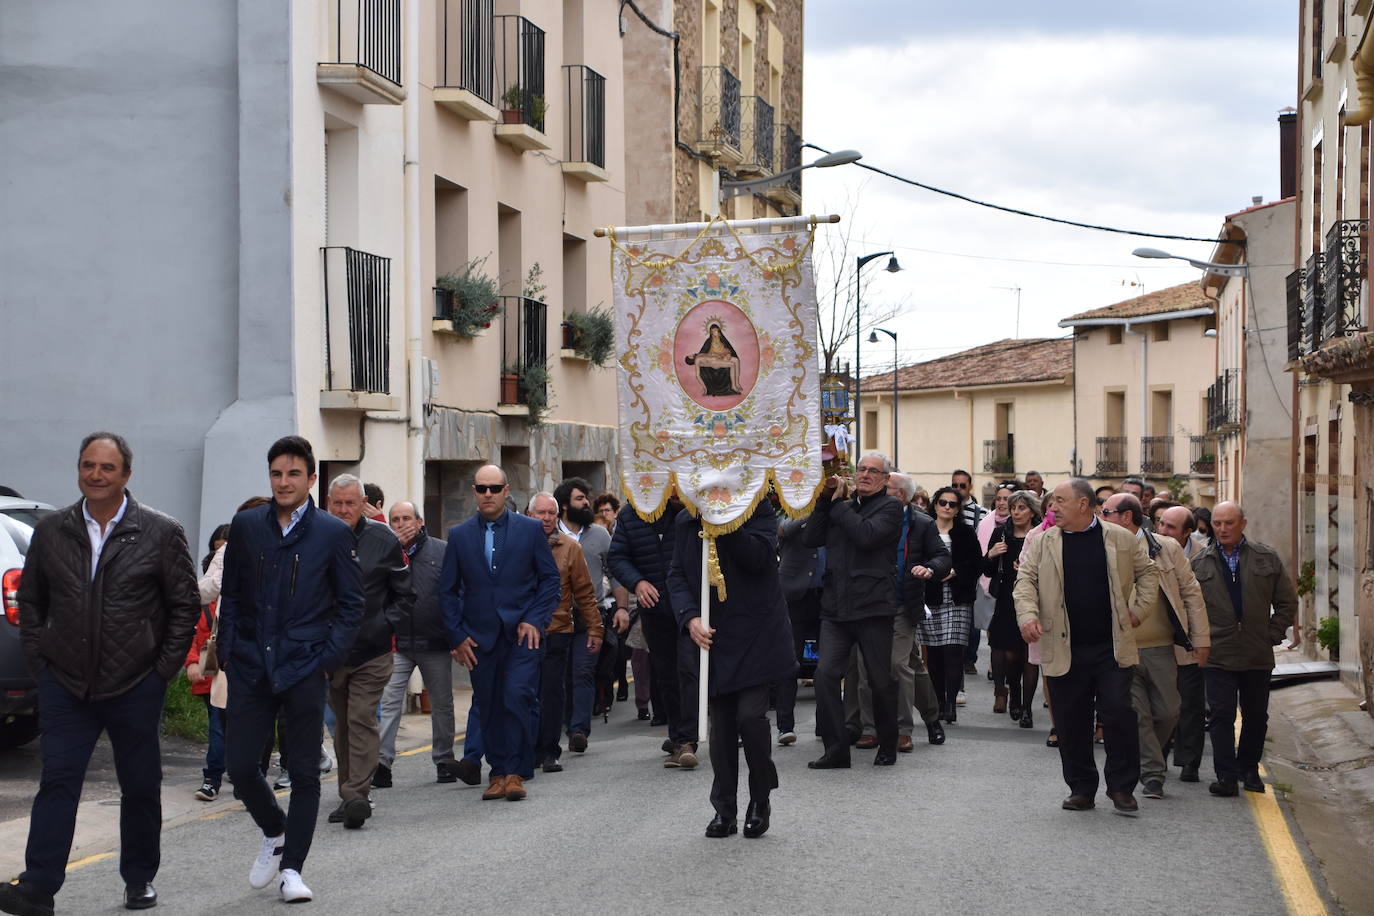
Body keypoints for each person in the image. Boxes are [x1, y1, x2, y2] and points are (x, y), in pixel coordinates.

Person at [4, 433, 199, 915]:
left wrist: (162, 672)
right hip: (65, 684)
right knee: (58, 781)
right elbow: (30, 601)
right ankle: (38, 888)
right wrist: (41, 663)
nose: (95, 474)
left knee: (139, 785)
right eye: (87, 465)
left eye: (107, 467)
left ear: (126, 475)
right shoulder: (52, 530)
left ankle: (138, 879)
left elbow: (184, 606)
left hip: (135, 683)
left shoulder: (160, 531)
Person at [217, 436, 365, 903]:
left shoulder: (332, 533)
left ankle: (293, 870)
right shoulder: (245, 526)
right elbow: (233, 594)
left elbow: (350, 606)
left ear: (311, 480)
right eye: (277, 474)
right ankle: (274, 829)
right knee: (240, 766)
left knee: (303, 772)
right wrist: (229, 649)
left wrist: (325, 660)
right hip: (250, 666)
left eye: (293, 474)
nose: (284, 482)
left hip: (304, 667)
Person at [1014, 479, 1158, 817]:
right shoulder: (1042, 541)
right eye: (1051, 503)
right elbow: (1025, 582)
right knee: (1070, 719)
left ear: (1083, 504)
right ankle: (1081, 788)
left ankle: (1122, 788)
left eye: (1060, 502)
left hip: (1111, 646)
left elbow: (1148, 575)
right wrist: (1027, 616)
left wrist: (1137, 611)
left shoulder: (1120, 538)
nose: (1052, 508)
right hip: (1065, 647)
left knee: (1118, 712)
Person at [669, 501, 796, 838]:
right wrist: (689, 617)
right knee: (722, 726)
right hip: (714, 635)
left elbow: (759, 558)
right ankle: (724, 809)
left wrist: (725, 523)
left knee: (750, 718)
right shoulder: (685, 520)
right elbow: (677, 573)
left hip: (757, 631)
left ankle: (760, 798)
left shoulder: (757, 510)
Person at [440, 465, 560, 802]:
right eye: (481, 488)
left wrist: (535, 619)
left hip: (523, 634)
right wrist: (457, 636)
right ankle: (497, 772)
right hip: (479, 638)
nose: (488, 494)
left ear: (507, 491)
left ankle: (517, 772)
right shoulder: (460, 535)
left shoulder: (530, 530)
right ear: (474, 492)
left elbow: (549, 580)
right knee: (490, 704)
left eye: (494, 488)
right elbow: (447, 591)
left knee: (517, 695)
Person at [1102, 493, 1209, 799]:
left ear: (1126, 517)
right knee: (1137, 714)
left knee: (1169, 711)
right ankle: (1153, 775)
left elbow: (1191, 594)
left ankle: (1149, 758)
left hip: (1162, 647)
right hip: (1122, 647)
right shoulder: (1103, 547)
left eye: (1107, 511)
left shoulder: (1167, 548)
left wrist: (1200, 640)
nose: (1102, 516)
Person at [803, 451, 905, 769]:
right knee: (824, 675)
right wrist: (823, 499)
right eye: (861, 469)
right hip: (836, 607)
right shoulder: (841, 507)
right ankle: (836, 749)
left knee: (879, 680)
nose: (864, 475)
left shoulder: (890, 507)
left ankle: (887, 743)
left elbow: (866, 535)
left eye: (873, 471)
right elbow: (810, 537)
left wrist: (837, 507)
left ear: (886, 479)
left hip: (873, 607)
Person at [323, 475, 413, 827]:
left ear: (364, 504)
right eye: (338, 503)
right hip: (331, 653)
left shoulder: (383, 540)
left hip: (373, 652)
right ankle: (350, 792)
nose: (344, 509)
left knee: (361, 718)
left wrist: (384, 624)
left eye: (351, 503)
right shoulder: (317, 537)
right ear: (329, 503)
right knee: (342, 726)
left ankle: (357, 794)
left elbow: (405, 595)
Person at [1192, 502, 1298, 797]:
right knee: (1221, 716)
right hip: (1218, 653)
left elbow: (1287, 602)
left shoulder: (1267, 557)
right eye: (1217, 523)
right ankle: (1225, 776)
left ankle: (1249, 770)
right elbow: (1190, 607)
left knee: (1255, 715)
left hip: (1256, 652)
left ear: (1243, 524)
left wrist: (1272, 635)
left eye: (1229, 523)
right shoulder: (1200, 562)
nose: (1223, 529)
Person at [846, 472, 952, 750]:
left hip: (903, 603)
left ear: (901, 496)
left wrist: (928, 568)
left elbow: (942, 556)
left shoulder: (921, 523)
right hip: (866, 604)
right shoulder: (863, 515)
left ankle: (905, 728)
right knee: (867, 666)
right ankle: (871, 729)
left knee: (897, 665)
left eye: (886, 487)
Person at [608, 495, 700, 768]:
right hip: (655, 609)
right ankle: (678, 736)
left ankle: (688, 739)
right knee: (667, 674)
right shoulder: (629, 514)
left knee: (688, 669)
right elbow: (618, 556)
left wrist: (683, 507)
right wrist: (637, 583)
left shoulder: (686, 508)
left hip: (690, 605)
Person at [374, 501, 458, 788]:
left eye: (406, 518)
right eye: (395, 519)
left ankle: (444, 759)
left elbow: (454, 592)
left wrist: (455, 634)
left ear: (420, 521)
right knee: (389, 702)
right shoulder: (384, 550)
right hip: (397, 642)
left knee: (442, 703)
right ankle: (381, 764)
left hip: (435, 641)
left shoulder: (441, 550)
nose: (400, 524)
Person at [527, 492, 602, 773]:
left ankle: (549, 750)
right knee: (526, 691)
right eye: (540, 513)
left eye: (551, 513)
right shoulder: (518, 544)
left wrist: (595, 628)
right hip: (523, 631)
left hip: (558, 629)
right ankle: (527, 748)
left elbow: (584, 593)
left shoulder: (570, 548)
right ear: (529, 514)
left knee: (551, 691)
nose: (546, 518)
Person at [551, 478, 628, 741]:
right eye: (579, 499)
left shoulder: (599, 534)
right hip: (555, 618)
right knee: (561, 675)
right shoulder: (549, 535)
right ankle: (559, 722)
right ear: (564, 506)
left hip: (590, 615)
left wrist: (622, 608)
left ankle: (579, 731)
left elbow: (615, 572)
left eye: (586, 497)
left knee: (583, 671)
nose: (586, 503)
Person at [1155, 505, 1209, 780]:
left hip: (1189, 642)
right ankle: (1158, 759)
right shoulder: (1147, 551)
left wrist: (1202, 640)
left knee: (1190, 704)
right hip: (1160, 640)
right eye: (1160, 524)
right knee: (1162, 703)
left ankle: (1189, 762)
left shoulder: (1204, 556)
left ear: (1188, 532)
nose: (1162, 531)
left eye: (1170, 527)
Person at [919, 486, 982, 724]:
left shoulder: (965, 533)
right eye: (943, 502)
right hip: (930, 597)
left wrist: (956, 571)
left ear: (958, 509)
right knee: (933, 654)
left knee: (953, 651)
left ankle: (950, 704)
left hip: (957, 599)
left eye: (952, 504)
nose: (947, 507)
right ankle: (937, 701)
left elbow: (976, 564)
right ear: (935, 504)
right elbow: (915, 557)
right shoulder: (924, 530)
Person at [983, 490, 1042, 727]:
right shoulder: (1001, 533)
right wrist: (991, 555)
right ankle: (1014, 695)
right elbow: (986, 570)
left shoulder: (1041, 535)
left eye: (1021, 508)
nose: (1016, 512)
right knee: (1010, 655)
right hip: (1007, 599)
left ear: (1032, 511)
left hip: (1034, 600)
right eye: (1013, 508)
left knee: (1030, 656)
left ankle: (1027, 708)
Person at [774, 508, 823, 747]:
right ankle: (785, 725)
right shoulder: (789, 504)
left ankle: (825, 723)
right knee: (789, 661)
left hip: (828, 593)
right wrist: (816, 508)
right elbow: (783, 529)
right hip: (795, 595)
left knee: (828, 665)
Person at [951, 469, 988, 678]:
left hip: (971, 568)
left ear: (970, 487)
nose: (957, 489)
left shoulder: (980, 513)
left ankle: (969, 658)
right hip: (950, 566)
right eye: (954, 485)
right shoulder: (946, 508)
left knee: (971, 614)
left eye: (961, 486)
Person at [684, 322, 743, 396]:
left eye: (716, 330)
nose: (692, 354)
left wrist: (724, 355)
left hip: (718, 359)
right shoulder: (697, 360)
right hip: (715, 363)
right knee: (732, 364)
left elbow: (709, 354)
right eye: (690, 356)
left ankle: (737, 383)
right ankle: (733, 386)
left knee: (736, 360)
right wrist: (705, 388)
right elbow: (698, 375)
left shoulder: (700, 355)